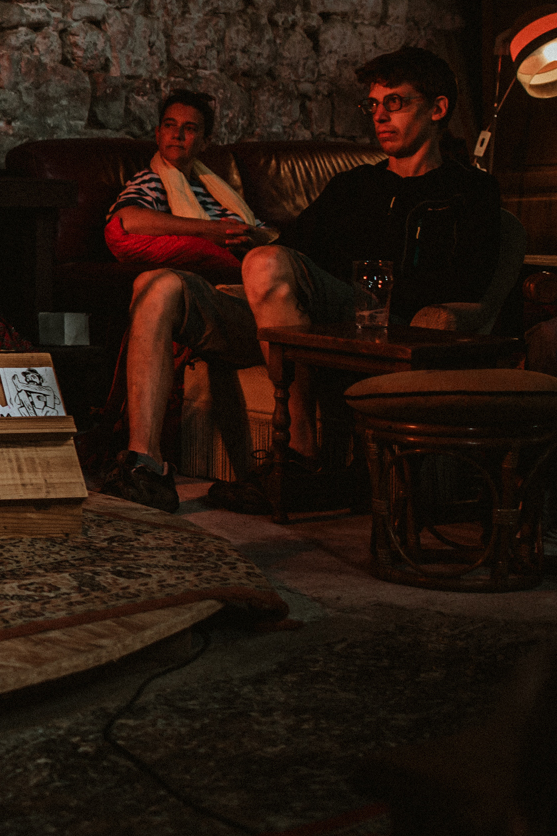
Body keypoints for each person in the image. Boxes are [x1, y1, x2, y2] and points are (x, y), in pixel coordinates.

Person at [103, 46, 501, 516]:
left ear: (438, 109)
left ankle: (296, 458)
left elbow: (470, 286)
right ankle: (146, 467)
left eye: (395, 103)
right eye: (373, 105)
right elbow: (290, 246)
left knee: (266, 262)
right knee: (157, 284)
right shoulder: (353, 185)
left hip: (376, 323)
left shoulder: (469, 191)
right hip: (302, 321)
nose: (379, 116)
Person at [104, 90, 275, 280]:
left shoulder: (214, 188)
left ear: (205, 142)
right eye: (169, 125)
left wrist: (247, 236)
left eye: (190, 128)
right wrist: (208, 230)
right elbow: (126, 220)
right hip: (209, 276)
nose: (177, 135)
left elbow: (269, 235)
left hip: (255, 263)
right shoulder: (151, 180)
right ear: (158, 134)